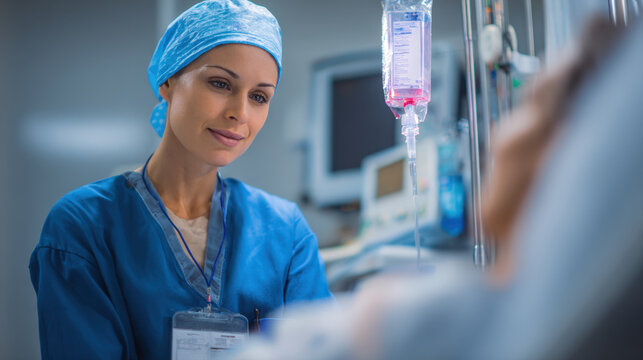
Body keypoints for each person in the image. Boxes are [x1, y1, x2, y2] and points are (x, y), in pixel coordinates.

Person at [227, 16, 643, 360]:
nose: (500, 135)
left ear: (562, 154)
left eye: (531, 103)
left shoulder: (444, 317)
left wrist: (382, 315)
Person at [28, 1, 332, 358]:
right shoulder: (84, 226)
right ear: (168, 81)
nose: (240, 113)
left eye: (259, 96)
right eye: (220, 83)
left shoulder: (285, 232)